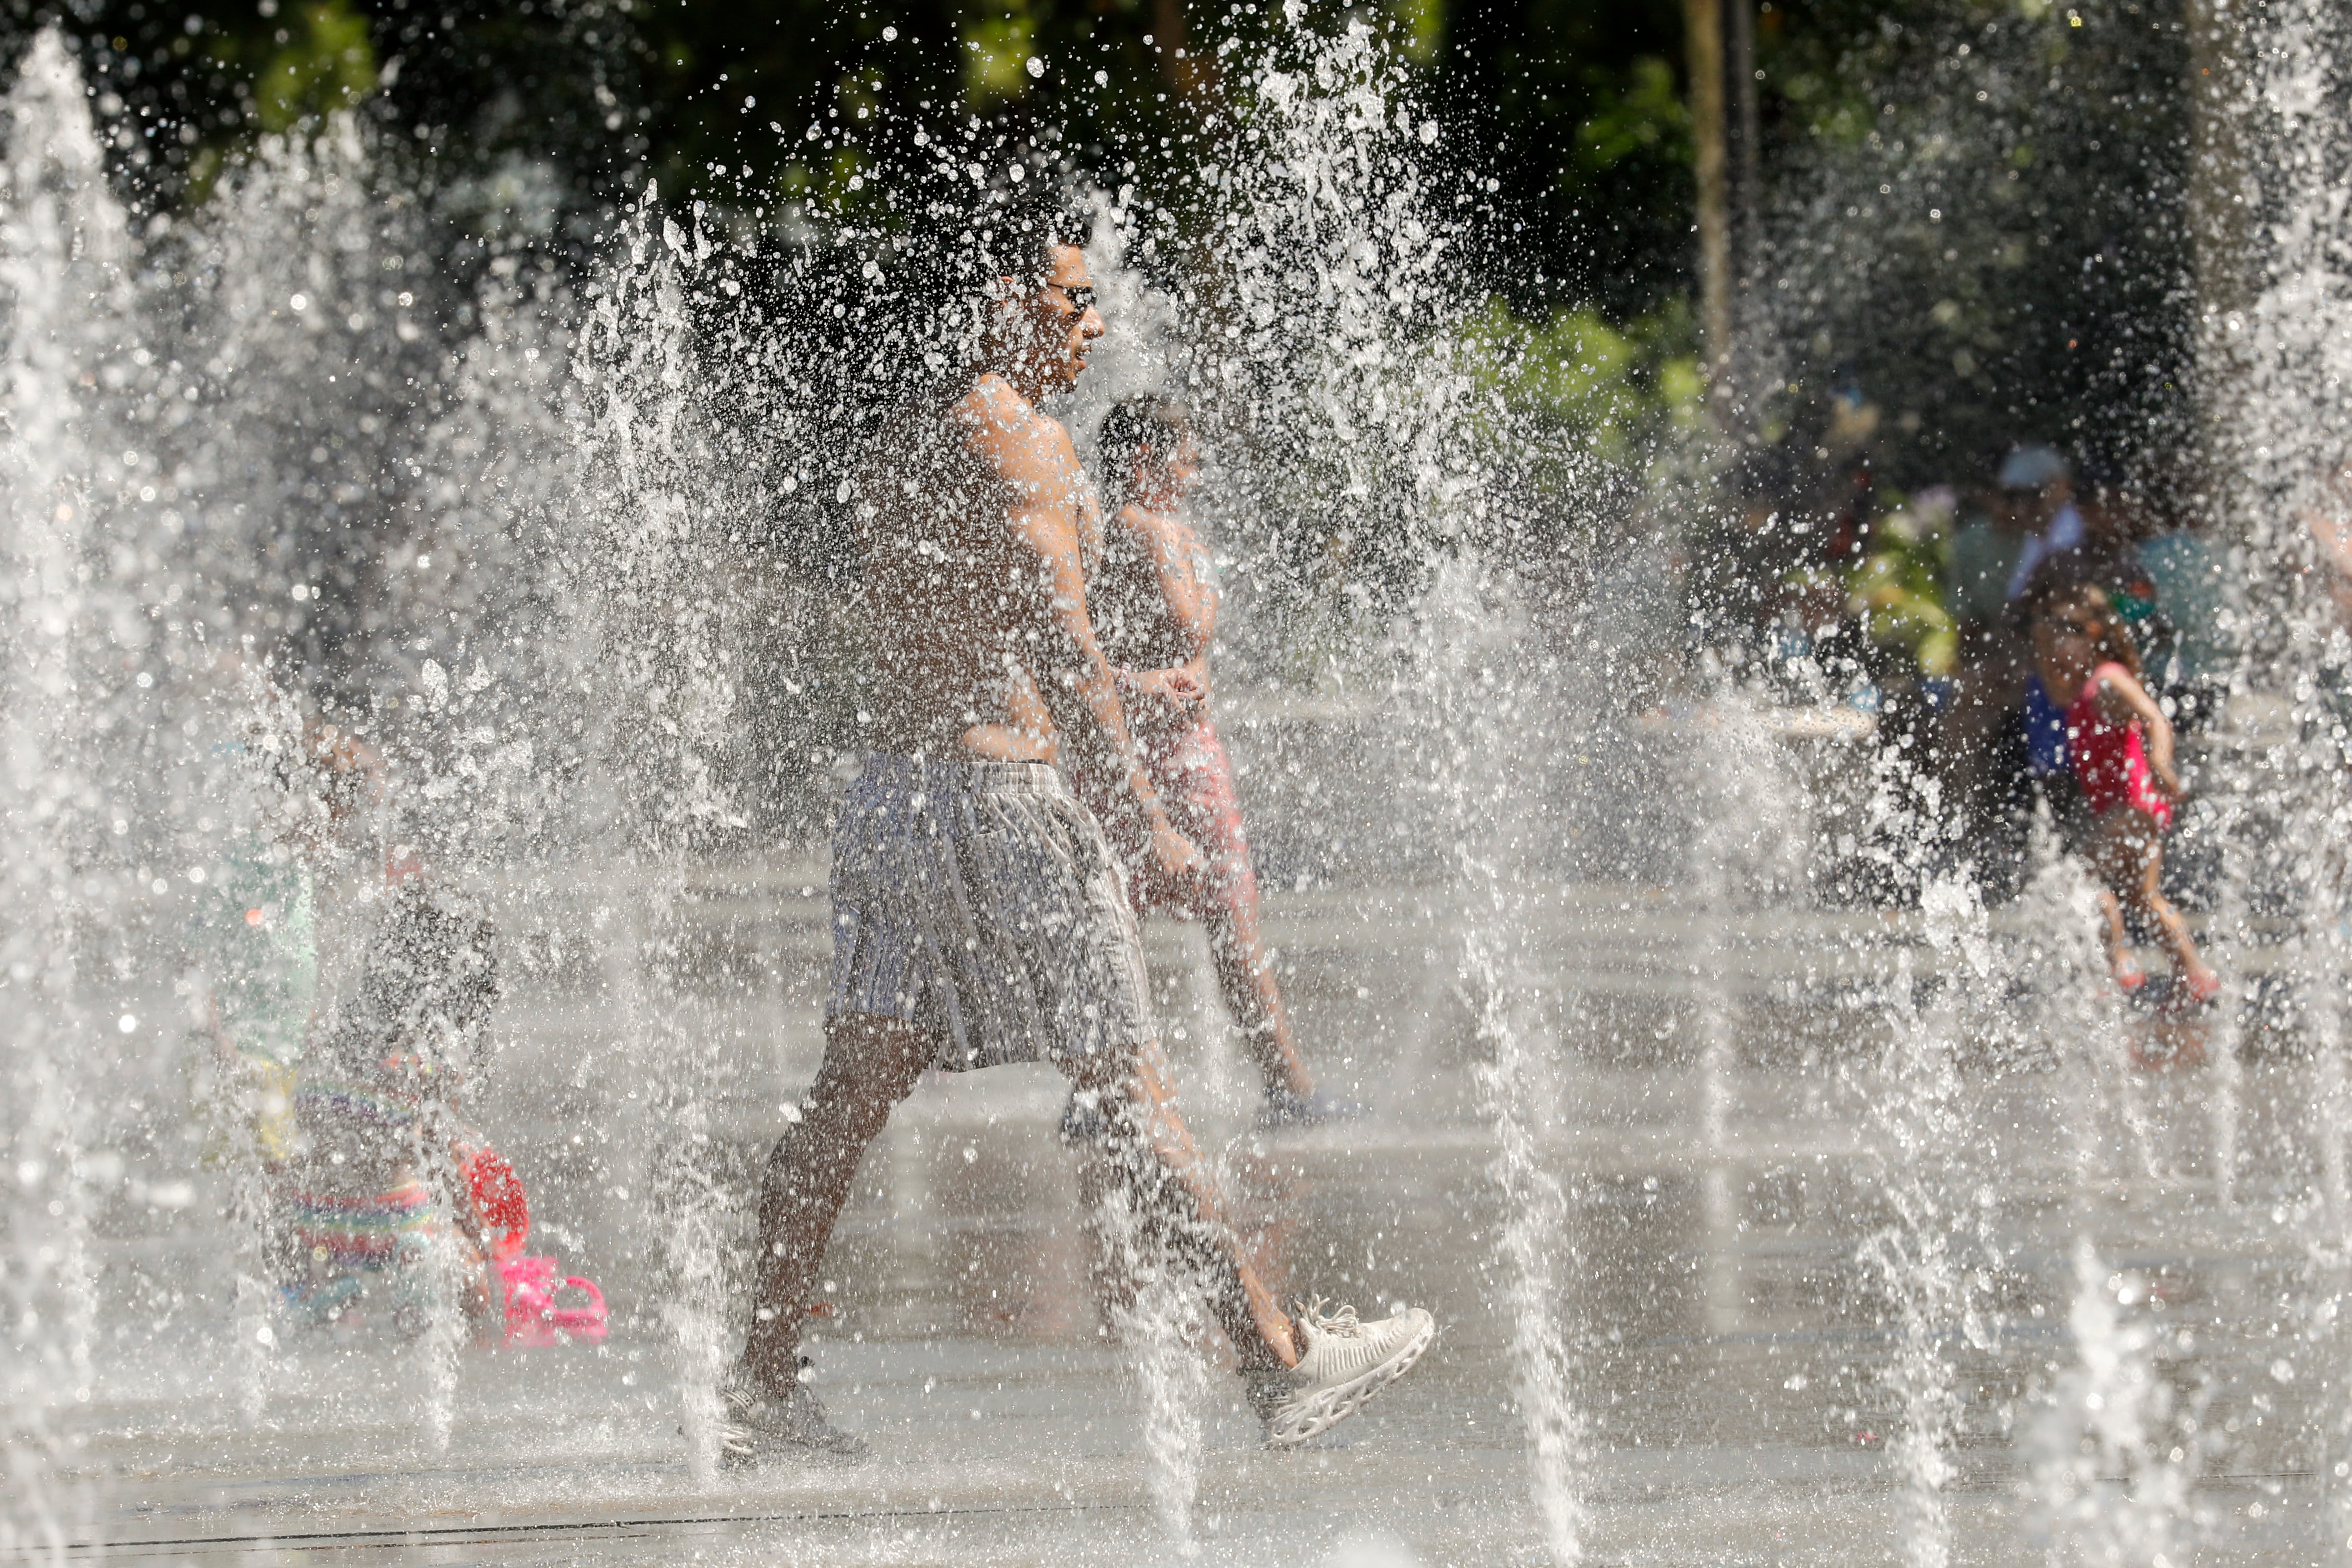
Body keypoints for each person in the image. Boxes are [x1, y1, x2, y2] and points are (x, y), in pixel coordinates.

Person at [723, 187, 1435, 1464]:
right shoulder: (1026, 444)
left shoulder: (904, 439)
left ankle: (758, 1372)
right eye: (1072, 295)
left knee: (845, 1097)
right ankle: (1277, 1362)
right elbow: (1067, 649)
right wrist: (1146, 819)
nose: (1092, 316)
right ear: (1003, 301)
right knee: (1131, 1090)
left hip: (894, 796)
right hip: (1006, 802)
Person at [1078, 395, 1347, 1128]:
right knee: (1223, 920)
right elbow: (1175, 626)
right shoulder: (1138, 530)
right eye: (1186, 461)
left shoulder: (1128, 530)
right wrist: (1192, 569)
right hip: (1165, 755)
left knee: (1127, 922)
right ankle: (1287, 1088)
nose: (1195, 476)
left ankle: (1099, 1094)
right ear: (1144, 463)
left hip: (1153, 753)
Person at [2023, 575, 2218, 1003]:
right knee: (2144, 896)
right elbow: (2052, 678)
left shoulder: (2108, 679)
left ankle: (2118, 963)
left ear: (2092, 636)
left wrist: (2161, 762)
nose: (2054, 650)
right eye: (2048, 641)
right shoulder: (2078, 685)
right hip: (2132, 809)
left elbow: (2154, 717)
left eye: (2063, 637)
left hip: (2132, 807)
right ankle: (2194, 974)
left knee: (2082, 880)